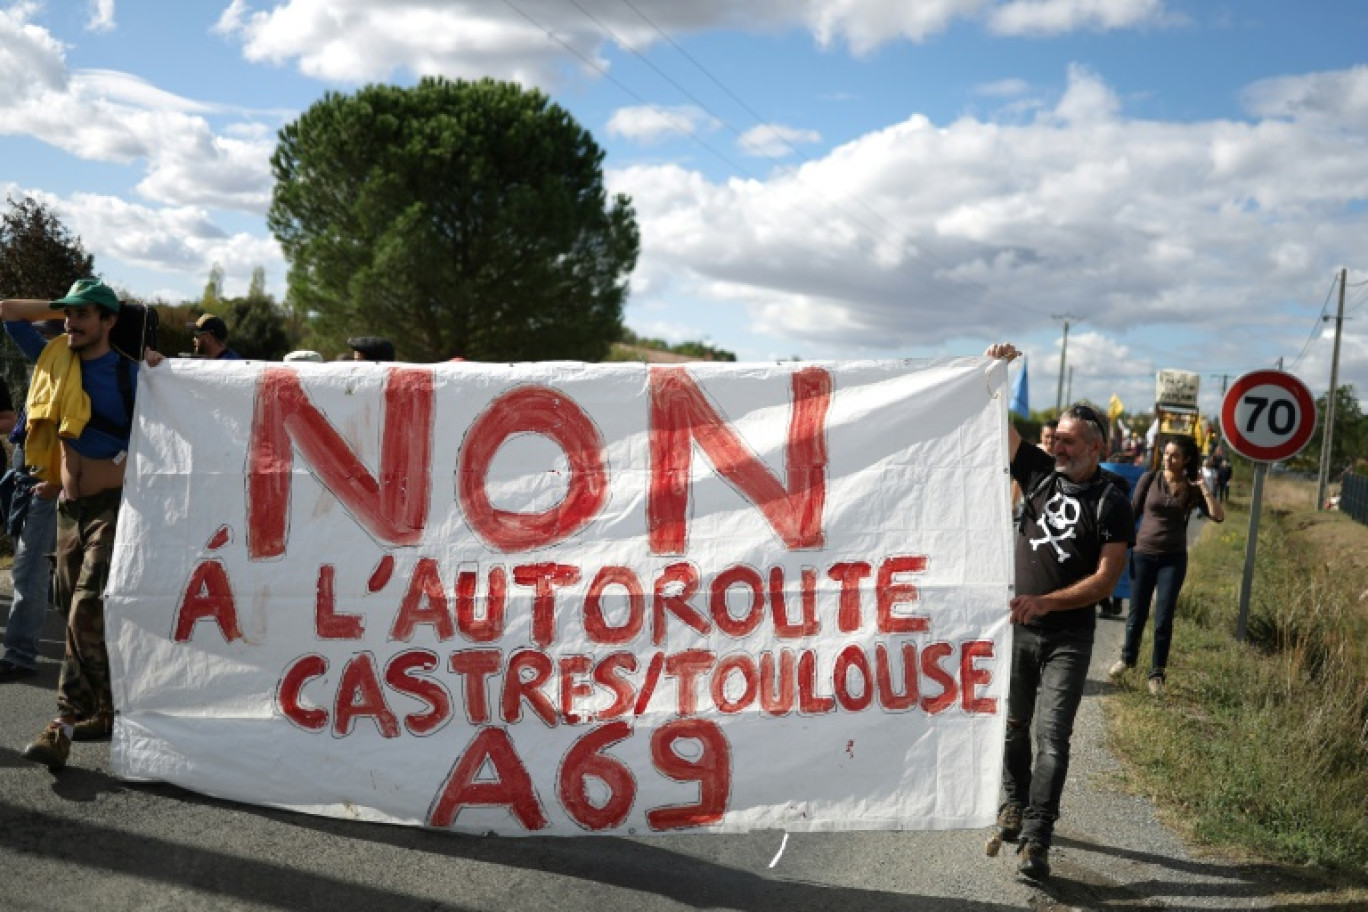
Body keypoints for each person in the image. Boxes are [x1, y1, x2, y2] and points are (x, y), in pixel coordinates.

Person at [985, 343, 1134, 880]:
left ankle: (1037, 837)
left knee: (1053, 738)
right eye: (1056, 439)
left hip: (1068, 637)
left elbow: (1107, 578)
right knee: (1012, 727)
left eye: (1068, 441)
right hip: (1019, 631)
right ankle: (1012, 802)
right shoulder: (1040, 472)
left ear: (1095, 448)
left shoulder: (1112, 501)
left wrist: (1047, 600)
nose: (1057, 446)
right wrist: (996, 371)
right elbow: (994, 424)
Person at [0, 278, 161, 770]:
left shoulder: (130, 375)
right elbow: (7, 309)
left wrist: (160, 372)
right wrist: (69, 303)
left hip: (117, 509)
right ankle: (105, 710)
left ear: (109, 322)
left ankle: (61, 726)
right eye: (69, 315)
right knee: (80, 613)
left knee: (85, 607)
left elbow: (160, 434)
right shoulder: (55, 357)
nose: (71, 323)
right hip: (69, 508)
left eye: (84, 315)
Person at [1109, 435, 1223, 696]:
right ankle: (1127, 659)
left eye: (1174, 456)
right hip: (1143, 555)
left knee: (1163, 618)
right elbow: (1132, 512)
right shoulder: (1150, 479)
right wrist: (1121, 549)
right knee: (1136, 614)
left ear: (1186, 460)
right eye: (1166, 454)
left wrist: (1203, 487)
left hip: (1172, 560)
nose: (1168, 459)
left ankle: (1157, 673)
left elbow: (1218, 516)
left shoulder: (1192, 488)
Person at [0, 319, 64, 681]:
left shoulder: (59, 358)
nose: (34, 339)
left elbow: (10, 317)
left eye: (43, 333)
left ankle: (20, 655)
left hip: (45, 483)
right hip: (27, 480)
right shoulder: (50, 364)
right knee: (36, 571)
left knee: (29, 571)